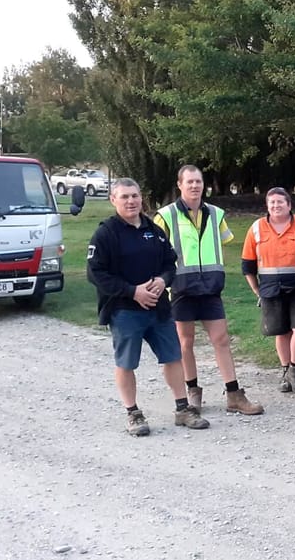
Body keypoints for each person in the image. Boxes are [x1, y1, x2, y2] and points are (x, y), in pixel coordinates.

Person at [88, 178, 210, 435]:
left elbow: (170, 262)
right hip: (124, 311)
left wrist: (162, 280)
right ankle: (133, 413)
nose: (131, 201)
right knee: (126, 363)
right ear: (113, 200)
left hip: (159, 309)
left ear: (141, 198)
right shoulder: (106, 233)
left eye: (134, 196)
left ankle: (182, 409)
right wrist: (133, 292)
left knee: (173, 357)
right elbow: (95, 273)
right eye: (124, 197)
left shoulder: (153, 230)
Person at [155, 165, 263, 416]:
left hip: (210, 287)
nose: (195, 186)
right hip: (181, 288)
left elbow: (224, 242)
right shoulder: (165, 216)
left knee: (221, 339)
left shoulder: (216, 214)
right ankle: (192, 391)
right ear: (180, 185)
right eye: (190, 181)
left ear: (204, 185)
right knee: (186, 342)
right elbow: (156, 253)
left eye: (198, 182)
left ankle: (234, 394)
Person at [241, 187, 295, 395]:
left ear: (289, 205)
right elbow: (247, 265)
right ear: (267, 206)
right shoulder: (256, 228)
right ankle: (286, 371)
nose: (276, 206)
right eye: (272, 203)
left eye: (280, 202)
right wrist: (257, 291)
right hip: (270, 288)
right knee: (281, 331)